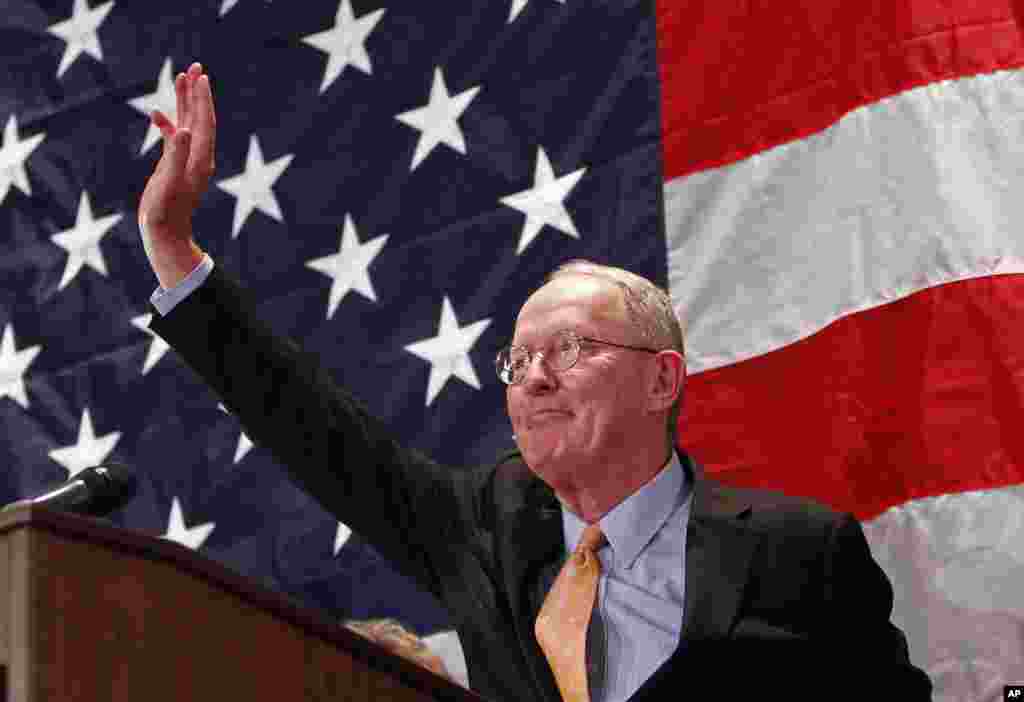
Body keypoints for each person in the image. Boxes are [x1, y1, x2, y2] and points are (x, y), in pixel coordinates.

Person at [138, 63, 933, 701]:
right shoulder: (481, 528)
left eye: (572, 347)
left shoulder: (798, 551)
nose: (535, 378)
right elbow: (310, 425)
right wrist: (171, 243)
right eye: (518, 361)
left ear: (662, 381)